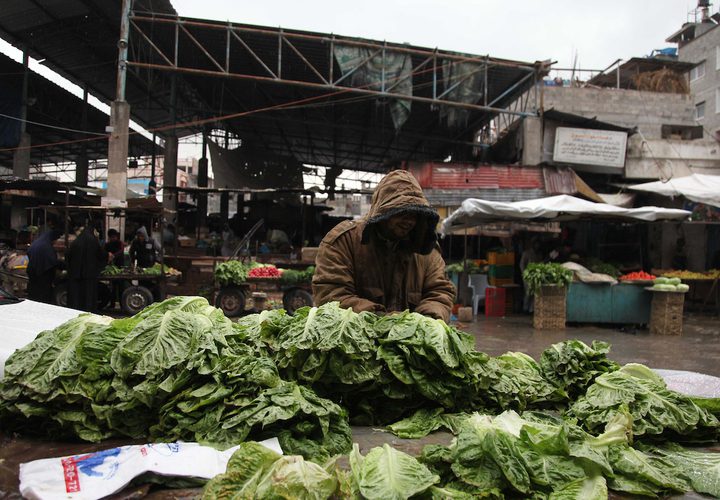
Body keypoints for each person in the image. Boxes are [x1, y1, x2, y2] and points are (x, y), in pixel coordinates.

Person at [312, 170, 455, 321]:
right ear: (382, 212)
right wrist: (383, 321)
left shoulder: (425, 250)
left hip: (412, 342)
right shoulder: (344, 241)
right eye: (401, 213)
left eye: (415, 215)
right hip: (356, 341)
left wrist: (425, 322)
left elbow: (440, 292)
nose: (409, 221)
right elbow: (331, 294)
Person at [66, 224, 107, 312]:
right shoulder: (93, 241)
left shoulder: (76, 241)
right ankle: (88, 310)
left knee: (77, 296)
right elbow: (101, 255)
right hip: (90, 274)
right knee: (89, 295)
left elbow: (68, 256)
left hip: (76, 274)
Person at [26, 229, 63, 304]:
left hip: (33, 271)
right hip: (43, 274)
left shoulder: (37, 243)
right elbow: (52, 261)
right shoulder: (46, 246)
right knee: (43, 296)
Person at [520, 238, 543, 313]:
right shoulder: (526, 253)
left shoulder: (539, 254)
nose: (537, 246)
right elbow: (522, 264)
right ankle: (525, 308)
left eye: (539, 244)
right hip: (527, 276)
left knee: (534, 293)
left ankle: (531, 309)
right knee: (528, 292)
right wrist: (524, 274)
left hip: (535, 276)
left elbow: (540, 264)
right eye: (536, 244)